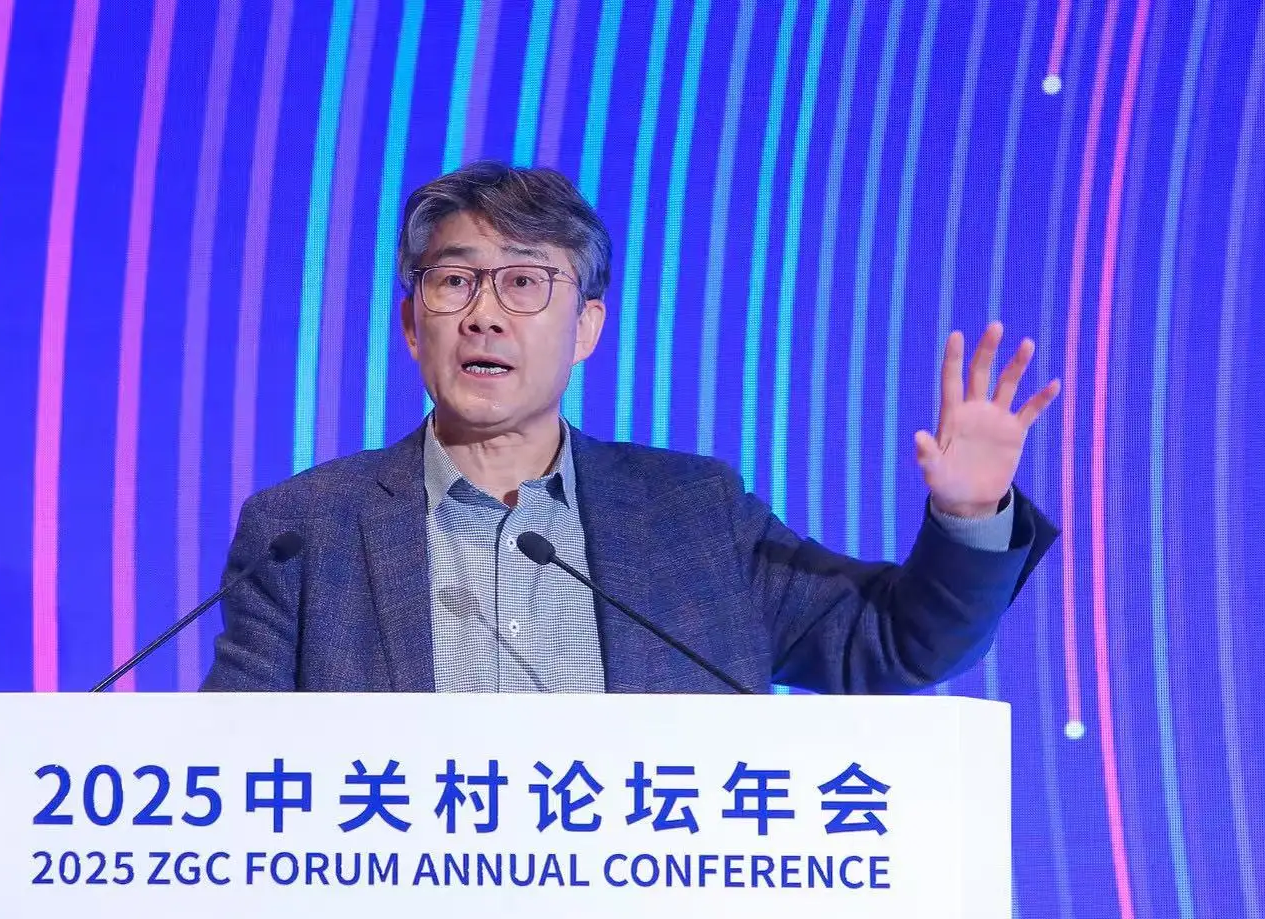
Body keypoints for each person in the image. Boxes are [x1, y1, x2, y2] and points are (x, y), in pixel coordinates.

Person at [201, 161, 1060, 695]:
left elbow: (895, 644)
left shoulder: (694, 515)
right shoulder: (303, 531)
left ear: (586, 327)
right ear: (411, 324)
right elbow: (232, 779)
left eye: (525, 282)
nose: (484, 314)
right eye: (454, 281)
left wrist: (969, 519)